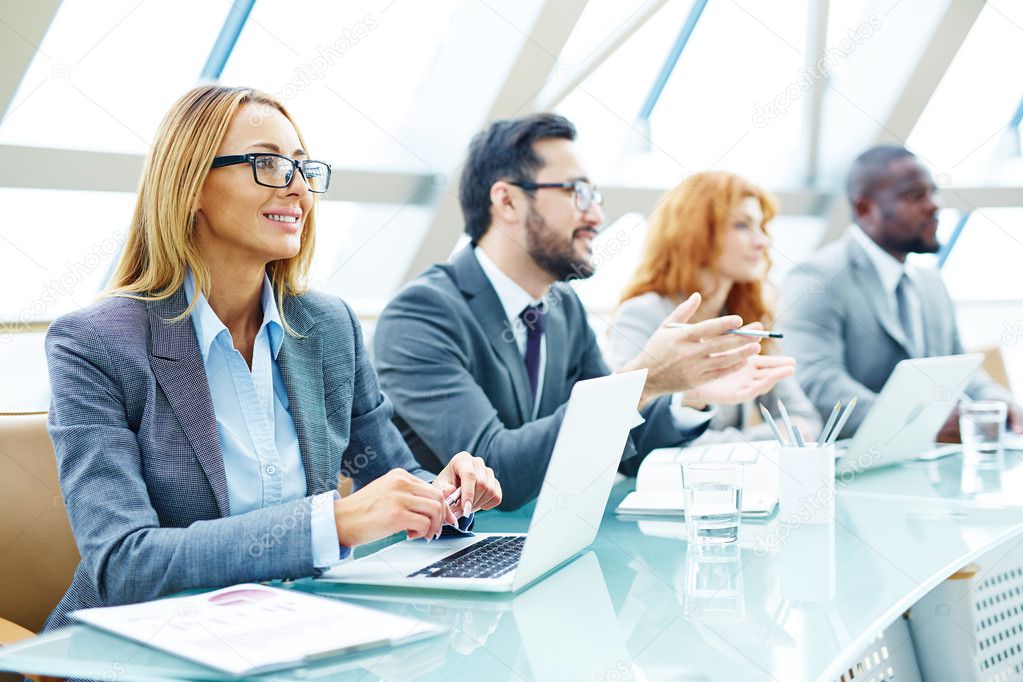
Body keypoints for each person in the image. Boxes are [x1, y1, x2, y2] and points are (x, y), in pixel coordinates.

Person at [43, 85, 501, 631]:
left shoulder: (328, 328)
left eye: (304, 169)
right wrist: (332, 523)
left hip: (295, 632)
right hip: (147, 648)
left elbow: (389, 474)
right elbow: (124, 565)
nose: (300, 190)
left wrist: (445, 491)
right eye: (269, 164)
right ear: (190, 186)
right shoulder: (95, 343)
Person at [374, 113, 771, 509]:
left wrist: (688, 394)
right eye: (576, 192)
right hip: (448, 551)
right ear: (507, 201)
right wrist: (642, 380)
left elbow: (626, 452)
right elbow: (494, 474)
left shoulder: (563, 306)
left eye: (595, 197)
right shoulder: (419, 316)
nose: (596, 216)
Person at [779, 145, 1021, 439]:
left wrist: (995, 399)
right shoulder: (817, 277)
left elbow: (958, 366)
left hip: (936, 466)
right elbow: (818, 383)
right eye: (915, 195)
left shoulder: (930, 282)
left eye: (933, 192)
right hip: (857, 470)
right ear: (865, 209)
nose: (934, 205)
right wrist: (915, 424)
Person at [607, 171, 820, 444]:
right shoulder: (643, 315)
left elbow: (806, 421)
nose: (761, 241)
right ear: (695, 232)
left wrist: (734, 442)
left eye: (761, 226)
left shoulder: (746, 318)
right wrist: (756, 439)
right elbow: (631, 438)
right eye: (742, 225)